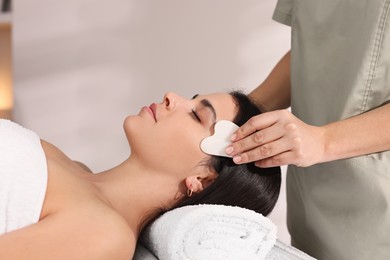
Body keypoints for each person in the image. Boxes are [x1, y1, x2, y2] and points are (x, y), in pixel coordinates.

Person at [0, 91, 281, 259]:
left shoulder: (105, 235)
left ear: (204, 179)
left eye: (197, 116)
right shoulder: (76, 167)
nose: (171, 96)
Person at [226, 1, 390, 259]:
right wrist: (240, 116)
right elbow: (315, 49)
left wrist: (323, 141)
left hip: (376, 218)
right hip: (309, 215)